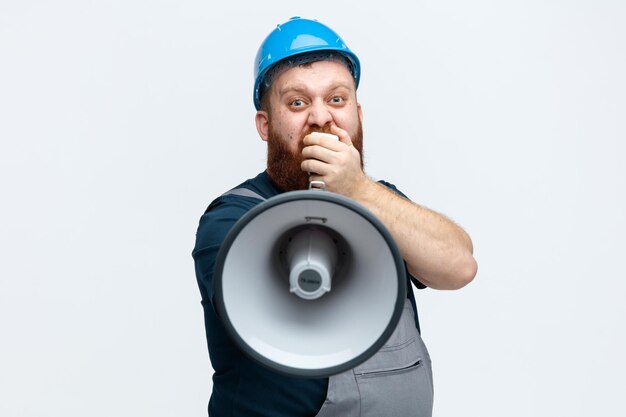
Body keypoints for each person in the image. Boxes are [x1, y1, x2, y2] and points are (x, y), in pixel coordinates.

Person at [192, 16, 477, 417]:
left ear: (357, 113)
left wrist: (359, 190)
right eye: (297, 102)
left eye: (337, 99)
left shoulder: (379, 201)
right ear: (265, 125)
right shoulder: (232, 217)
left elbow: (459, 267)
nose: (322, 117)